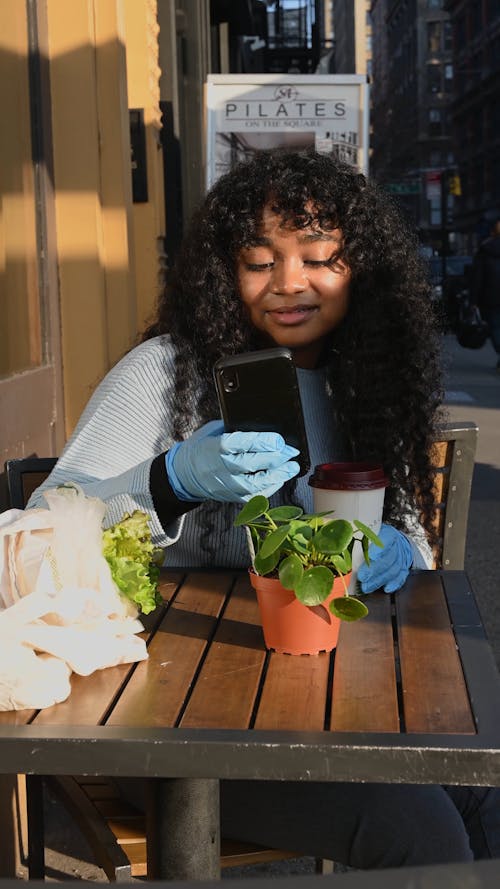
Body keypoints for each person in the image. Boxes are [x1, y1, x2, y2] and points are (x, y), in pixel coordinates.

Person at [28, 149, 500, 867]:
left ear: (360, 272)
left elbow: (409, 541)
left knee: (485, 793)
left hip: (323, 698)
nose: (289, 283)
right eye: (259, 261)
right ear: (225, 272)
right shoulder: (164, 373)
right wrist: (172, 478)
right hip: (155, 716)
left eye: (319, 258)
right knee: (415, 826)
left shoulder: (364, 385)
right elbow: (42, 518)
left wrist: (398, 550)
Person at [471, 219, 500, 370]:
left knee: (495, 327)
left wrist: (473, 300)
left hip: (491, 296)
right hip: (491, 295)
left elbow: (477, 278)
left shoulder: (485, 249)